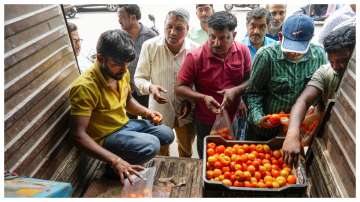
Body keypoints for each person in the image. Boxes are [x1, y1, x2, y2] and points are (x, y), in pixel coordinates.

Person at [69, 30, 174, 184]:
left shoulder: (120, 72)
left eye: (127, 64)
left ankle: (126, 160)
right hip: (105, 137)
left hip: (124, 125)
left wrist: (147, 112)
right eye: (117, 64)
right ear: (100, 58)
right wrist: (115, 160)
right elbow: (78, 136)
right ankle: (112, 171)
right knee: (151, 144)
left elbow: (128, 100)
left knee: (167, 134)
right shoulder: (85, 87)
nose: (125, 70)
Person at [176, 11, 251, 158]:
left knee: (231, 157)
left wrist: (236, 91)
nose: (216, 43)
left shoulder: (243, 51)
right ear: (207, 33)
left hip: (233, 117)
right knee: (207, 159)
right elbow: (179, 88)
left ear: (234, 35)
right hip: (205, 120)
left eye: (223, 38)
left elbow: (250, 80)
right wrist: (203, 97)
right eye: (212, 37)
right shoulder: (195, 57)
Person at [282, 25, 355, 168]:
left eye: (342, 61)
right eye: (331, 61)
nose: (335, 66)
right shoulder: (326, 73)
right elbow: (303, 100)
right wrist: (292, 133)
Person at [245, 14, 327, 141]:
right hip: (265, 132)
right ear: (280, 37)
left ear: (310, 40)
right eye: (289, 47)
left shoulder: (319, 55)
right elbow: (253, 92)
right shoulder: (266, 56)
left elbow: (320, 93)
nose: (294, 52)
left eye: (299, 48)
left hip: (299, 131)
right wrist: (258, 118)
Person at [134, 9, 198, 157]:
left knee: (186, 151)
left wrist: (191, 101)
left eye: (179, 28)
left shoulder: (195, 50)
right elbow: (139, 78)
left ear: (188, 29)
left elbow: (198, 83)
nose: (173, 32)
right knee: (161, 151)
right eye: (169, 26)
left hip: (186, 111)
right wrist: (150, 87)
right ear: (164, 26)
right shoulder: (150, 46)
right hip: (159, 111)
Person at [117, 4, 157, 109]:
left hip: (146, 89)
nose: (119, 21)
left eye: (122, 17)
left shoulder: (151, 36)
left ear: (133, 18)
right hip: (127, 88)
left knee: (149, 118)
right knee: (130, 120)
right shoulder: (119, 37)